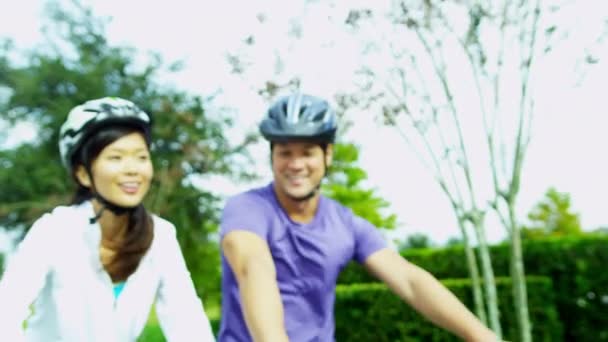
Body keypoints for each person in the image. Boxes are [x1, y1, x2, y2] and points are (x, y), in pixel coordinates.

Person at [218, 93, 499, 341]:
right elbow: (252, 268)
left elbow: (409, 280)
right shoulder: (247, 209)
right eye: (285, 153)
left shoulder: (345, 224)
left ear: (328, 155)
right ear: (272, 156)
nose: (296, 164)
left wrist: (483, 336)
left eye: (307, 153)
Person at [0, 97, 215, 342]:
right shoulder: (55, 230)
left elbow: (187, 321)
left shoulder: (161, 235)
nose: (133, 169)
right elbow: (7, 312)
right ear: (83, 174)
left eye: (141, 157)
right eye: (116, 157)